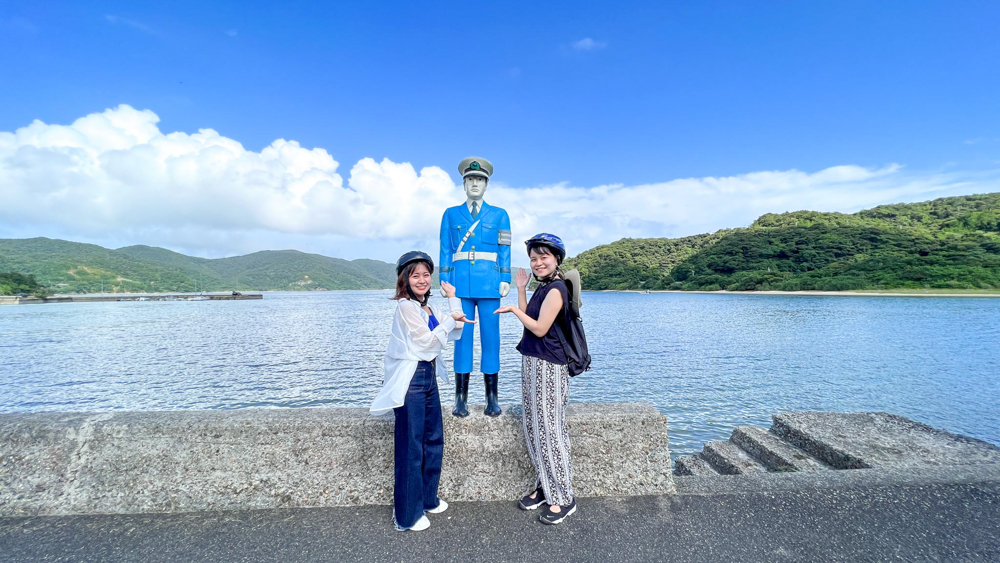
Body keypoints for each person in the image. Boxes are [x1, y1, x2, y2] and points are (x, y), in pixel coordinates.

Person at [370, 251, 473, 531]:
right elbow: (427, 342)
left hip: (429, 378)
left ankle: (427, 498)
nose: (422, 280)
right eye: (415, 275)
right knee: (411, 446)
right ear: (405, 279)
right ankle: (406, 515)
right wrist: (449, 320)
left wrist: (452, 296)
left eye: (426, 274)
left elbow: (458, 328)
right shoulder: (405, 307)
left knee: (433, 440)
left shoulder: (428, 309)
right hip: (410, 380)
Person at [494, 233, 577, 525]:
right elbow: (531, 314)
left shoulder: (557, 289)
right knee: (534, 429)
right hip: (533, 364)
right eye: (533, 258)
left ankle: (564, 497)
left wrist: (515, 309)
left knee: (550, 432)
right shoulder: (543, 288)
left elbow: (540, 328)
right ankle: (546, 485)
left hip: (549, 368)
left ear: (556, 260)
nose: (538, 262)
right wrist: (521, 290)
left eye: (544, 257)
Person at [439, 156, 512, 417]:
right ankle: (461, 399)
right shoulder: (450, 214)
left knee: (492, 340)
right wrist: (444, 278)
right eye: (470, 179)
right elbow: (446, 248)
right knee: (462, 339)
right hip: (460, 285)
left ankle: (492, 398)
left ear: (486, 184)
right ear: (463, 183)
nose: (475, 184)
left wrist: (506, 278)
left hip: (491, 284)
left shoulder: (500, 215)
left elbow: (505, 248)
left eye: (479, 180)